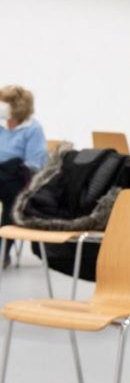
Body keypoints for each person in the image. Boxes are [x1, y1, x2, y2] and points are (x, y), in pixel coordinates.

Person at [0, 85, 47, 264]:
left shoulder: (33, 129)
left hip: (19, 179)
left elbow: (34, 164)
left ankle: (2, 249)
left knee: (13, 197)